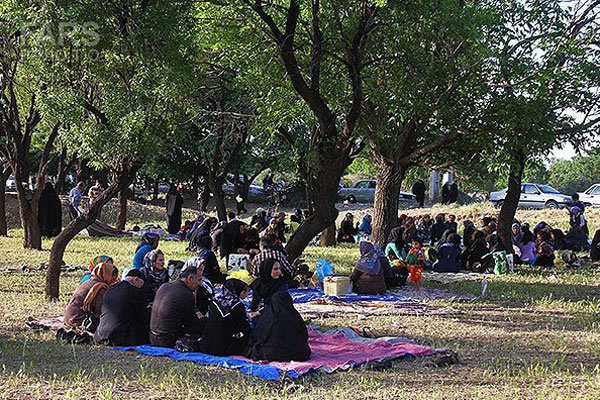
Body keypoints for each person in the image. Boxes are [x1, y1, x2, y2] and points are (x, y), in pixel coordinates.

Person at [243, 291, 311, 362]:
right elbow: (304, 336)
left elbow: (258, 337)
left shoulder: (268, 317)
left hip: (272, 353)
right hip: (298, 353)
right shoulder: (295, 316)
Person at [149, 265, 206, 348]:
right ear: (190, 279)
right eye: (199, 280)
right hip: (166, 340)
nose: (200, 284)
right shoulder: (186, 294)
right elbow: (190, 323)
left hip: (153, 337)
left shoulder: (164, 286)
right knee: (204, 323)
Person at [94, 269, 151, 346]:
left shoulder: (110, 290)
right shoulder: (134, 291)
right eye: (141, 285)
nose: (141, 287)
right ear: (135, 279)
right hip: (121, 338)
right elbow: (144, 316)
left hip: (101, 335)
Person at [198, 279, 251, 356]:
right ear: (242, 292)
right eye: (247, 292)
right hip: (222, 348)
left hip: (206, 344)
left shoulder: (215, 302)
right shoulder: (237, 306)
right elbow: (244, 327)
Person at [64, 261, 118, 330]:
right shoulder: (99, 287)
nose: (113, 282)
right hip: (79, 320)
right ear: (106, 275)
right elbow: (102, 310)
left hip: (69, 318)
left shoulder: (88, 282)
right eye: (112, 279)